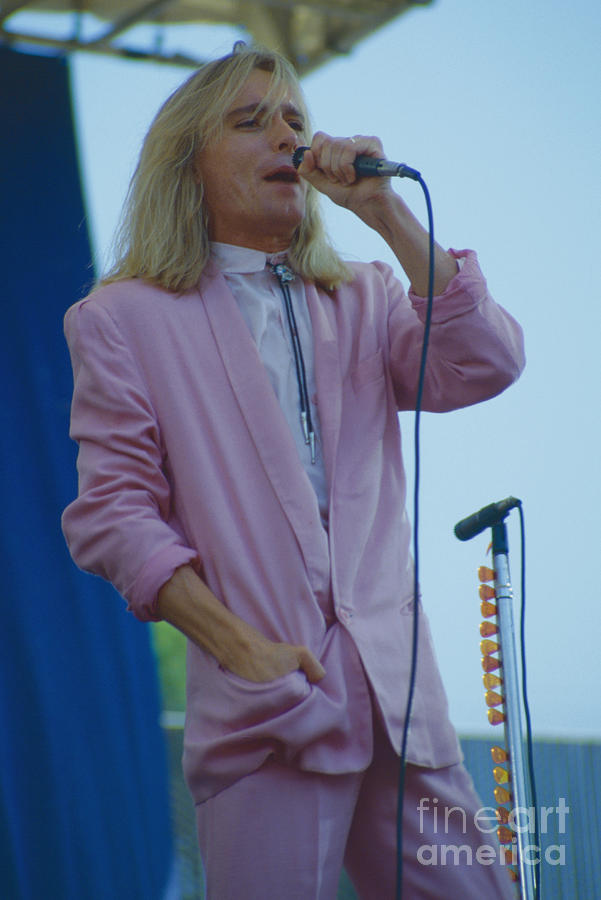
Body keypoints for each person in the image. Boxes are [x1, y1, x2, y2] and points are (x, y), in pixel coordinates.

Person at [62, 43, 524, 899]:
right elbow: (114, 516)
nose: (286, 136)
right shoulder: (123, 319)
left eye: (295, 122)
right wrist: (237, 646)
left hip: (401, 704)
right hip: (267, 715)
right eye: (250, 122)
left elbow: (484, 362)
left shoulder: (366, 291)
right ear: (187, 165)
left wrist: (385, 213)